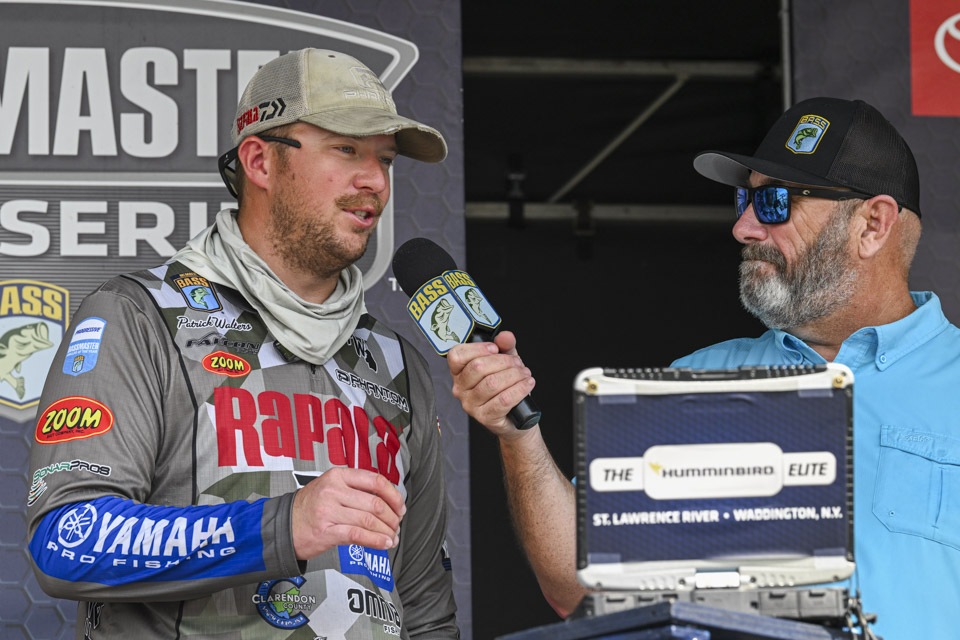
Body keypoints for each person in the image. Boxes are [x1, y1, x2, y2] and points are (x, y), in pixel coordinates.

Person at [447, 97, 960, 640]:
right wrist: (518, 433)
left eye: (774, 202)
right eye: (745, 199)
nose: (743, 227)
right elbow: (578, 586)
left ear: (873, 224)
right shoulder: (697, 378)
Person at [27, 48, 459, 639]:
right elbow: (66, 542)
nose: (375, 182)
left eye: (384, 159)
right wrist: (281, 526)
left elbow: (425, 609)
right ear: (259, 161)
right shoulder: (140, 316)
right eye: (346, 150)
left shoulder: (395, 363)